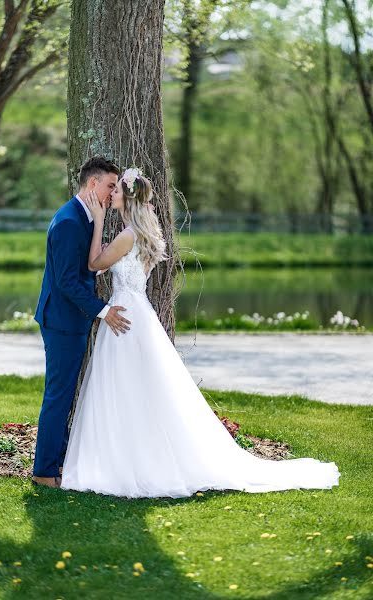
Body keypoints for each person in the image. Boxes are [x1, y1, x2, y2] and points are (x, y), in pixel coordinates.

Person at [60, 168, 340, 498]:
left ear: (128, 198)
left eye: (118, 189)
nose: (112, 194)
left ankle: (126, 462)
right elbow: (114, 263)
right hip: (137, 314)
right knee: (137, 387)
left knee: (123, 385)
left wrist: (96, 220)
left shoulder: (127, 236)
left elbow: (94, 264)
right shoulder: (138, 233)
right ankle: (138, 458)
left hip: (124, 317)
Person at [32, 157, 131, 489]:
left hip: (71, 320)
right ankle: (45, 472)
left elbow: (84, 268)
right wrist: (103, 311)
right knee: (58, 395)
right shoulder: (69, 222)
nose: (113, 192)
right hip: (61, 321)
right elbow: (66, 282)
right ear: (93, 184)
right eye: (110, 186)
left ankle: (57, 464)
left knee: (64, 394)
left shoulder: (86, 218)